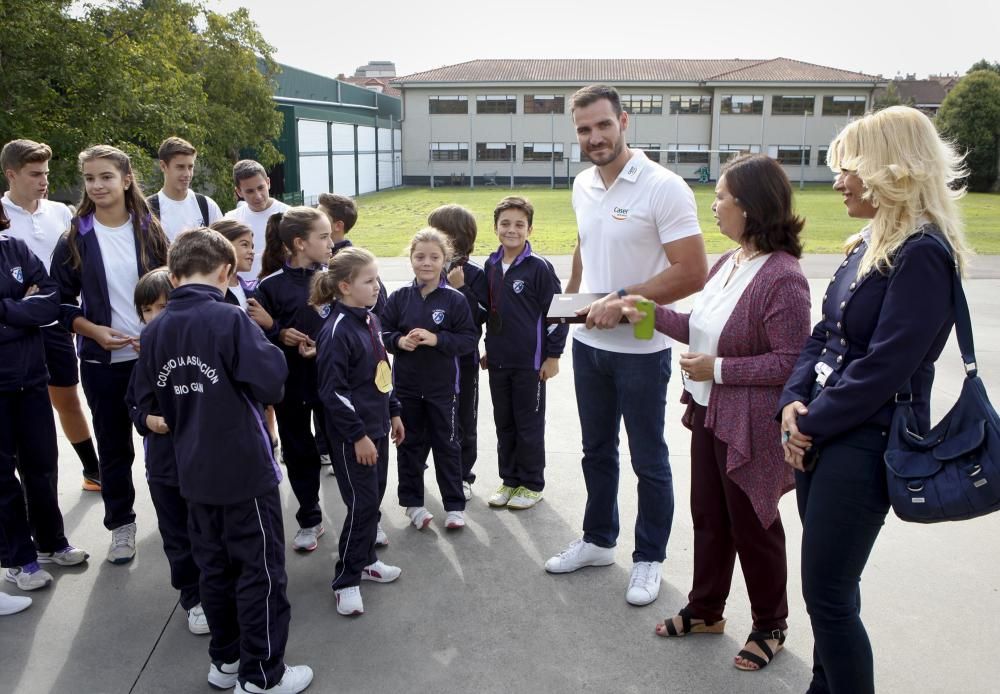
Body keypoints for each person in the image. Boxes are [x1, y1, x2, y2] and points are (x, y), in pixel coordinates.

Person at [779, 105, 970, 694]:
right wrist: (791, 402)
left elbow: (888, 365)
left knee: (829, 597)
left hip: (866, 440)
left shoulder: (923, 254)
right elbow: (823, 334)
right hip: (825, 430)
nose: (838, 183)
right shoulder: (868, 243)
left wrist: (811, 419)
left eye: (849, 169)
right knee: (829, 588)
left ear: (892, 169)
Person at [624, 154, 811, 672]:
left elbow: (791, 362)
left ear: (750, 208)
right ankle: (706, 609)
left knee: (754, 526)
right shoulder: (729, 263)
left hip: (750, 425)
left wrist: (720, 370)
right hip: (710, 413)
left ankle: (770, 624)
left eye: (723, 197)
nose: (715, 206)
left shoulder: (784, 278)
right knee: (708, 517)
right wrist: (645, 312)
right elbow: (699, 325)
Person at [544, 84, 707, 608]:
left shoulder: (664, 186)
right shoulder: (582, 184)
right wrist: (572, 300)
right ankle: (597, 540)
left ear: (624, 121)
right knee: (596, 449)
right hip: (590, 341)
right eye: (584, 130)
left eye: (602, 125)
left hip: (643, 344)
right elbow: (585, 245)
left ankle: (649, 557)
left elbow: (693, 271)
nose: (594, 137)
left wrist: (622, 299)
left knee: (647, 457)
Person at [50, 145, 170, 565]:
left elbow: (171, 289)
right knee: (115, 450)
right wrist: (93, 331)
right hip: (104, 366)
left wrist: (158, 329)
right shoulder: (74, 238)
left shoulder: (150, 229)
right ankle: (121, 526)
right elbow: (60, 304)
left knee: (165, 442)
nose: (97, 185)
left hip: (155, 362)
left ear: (126, 179)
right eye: (89, 178)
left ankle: (180, 518)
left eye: (105, 176)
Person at [1, 138, 101, 491]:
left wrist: (53, 300)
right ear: (11, 175)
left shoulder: (61, 212)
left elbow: (71, 271)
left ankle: (92, 470)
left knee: (68, 398)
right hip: (12, 330)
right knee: (22, 410)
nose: (44, 180)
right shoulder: (2, 214)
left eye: (46, 172)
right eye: (35, 174)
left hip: (54, 321)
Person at [311, 247, 405, 616]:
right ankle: (346, 579)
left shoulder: (370, 319)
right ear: (345, 286)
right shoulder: (336, 331)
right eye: (369, 281)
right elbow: (333, 392)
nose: (377, 286)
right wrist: (358, 436)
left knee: (372, 501)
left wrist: (394, 412)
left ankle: (366, 561)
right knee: (363, 505)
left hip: (378, 427)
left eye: (377, 278)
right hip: (355, 438)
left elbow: (383, 369)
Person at [0, 204, 89, 594]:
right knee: (3, 480)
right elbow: (34, 310)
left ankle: (51, 542)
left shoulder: (15, 248)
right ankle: (18, 560)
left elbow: (51, 301)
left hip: (32, 379)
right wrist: (22, 308)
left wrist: (10, 312)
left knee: (42, 465)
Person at [126, 267, 208, 636]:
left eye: (162, 307)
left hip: (205, 462)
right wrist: (153, 422)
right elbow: (136, 408)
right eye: (147, 311)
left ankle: (218, 589)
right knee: (178, 535)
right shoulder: (144, 358)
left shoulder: (203, 350)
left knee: (210, 531)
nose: (155, 318)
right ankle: (193, 598)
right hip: (165, 467)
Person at [380, 228, 477, 530]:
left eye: (434, 257)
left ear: (445, 260)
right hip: (406, 389)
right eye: (419, 256)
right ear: (410, 259)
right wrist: (399, 342)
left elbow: (469, 339)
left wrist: (436, 340)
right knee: (409, 445)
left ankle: (454, 506)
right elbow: (382, 333)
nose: (426, 262)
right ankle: (413, 504)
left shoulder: (455, 300)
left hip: (443, 389)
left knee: (448, 444)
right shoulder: (398, 298)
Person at [478, 196, 566, 510]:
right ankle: (509, 480)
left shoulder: (539, 267)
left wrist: (553, 356)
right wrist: (489, 349)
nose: (511, 230)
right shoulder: (488, 265)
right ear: (495, 227)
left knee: (528, 424)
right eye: (505, 224)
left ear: (530, 228)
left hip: (531, 363)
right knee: (504, 423)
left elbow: (557, 314)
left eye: (519, 224)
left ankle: (531, 483)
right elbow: (490, 313)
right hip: (499, 361)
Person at [255, 207, 333, 552]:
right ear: (300, 243)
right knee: (300, 453)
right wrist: (278, 332)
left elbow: (359, 321)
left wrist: (324, 346)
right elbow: (256, 339)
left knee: (341, 448)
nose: (332, 243)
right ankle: (310, 518)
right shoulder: (269, 287)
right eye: (324, 237)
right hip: (291, 386)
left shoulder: (336, 277)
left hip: (332, 382)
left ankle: (365, 520)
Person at [427, 204, 487, 500]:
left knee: (464, 419)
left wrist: (460, 289)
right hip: (429, 361)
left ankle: (463, 474)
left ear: (454, 237)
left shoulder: (474, 273)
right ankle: (429, 468)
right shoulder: (429, 267)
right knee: (429, 417)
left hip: (463, 362)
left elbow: (477, 318)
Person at [211, 219, 280, 451]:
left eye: (252, 245)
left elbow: (266, 340)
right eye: (244, 245)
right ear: (223, 247)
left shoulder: (253, 288)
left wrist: (271, 325)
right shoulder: (213, 296)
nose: (252, 251)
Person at [224, 160, 289, 281]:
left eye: (261, 188)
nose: (258, 196)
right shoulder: (230, 219)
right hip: (244, 292)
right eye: (250, 191)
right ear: (239, 192)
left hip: (279, 291)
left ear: (268, 183)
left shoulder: (289, 215)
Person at [147, 137, 222, 241]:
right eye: (180, 167)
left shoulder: (207, 206)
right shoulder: (148, 209)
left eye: (190, 167)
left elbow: (223, 250)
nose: (187, 174)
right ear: (163, 166)